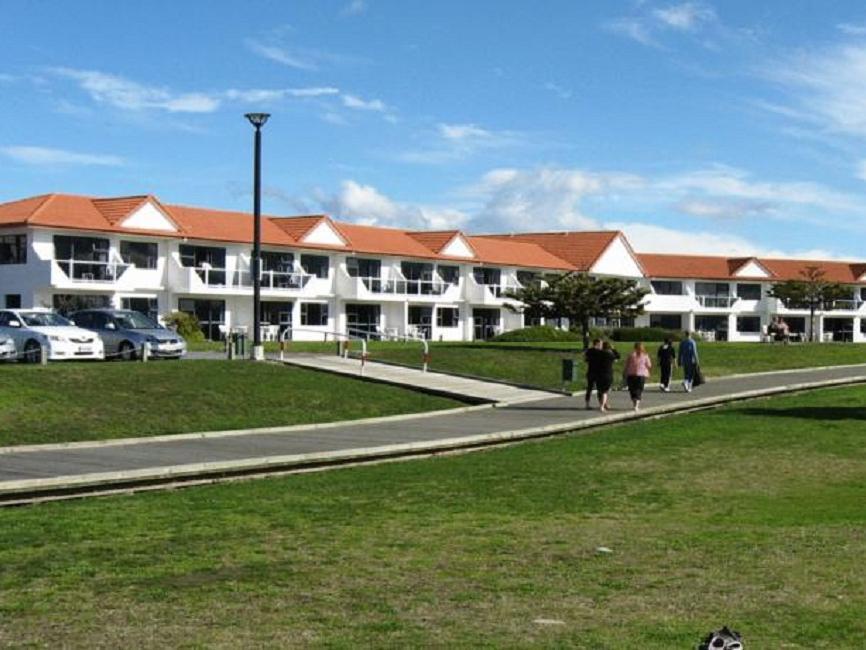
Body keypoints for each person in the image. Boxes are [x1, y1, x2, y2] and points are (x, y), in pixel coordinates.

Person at [624, 342, 653, 411]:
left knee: (632, 389)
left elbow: (626, 365)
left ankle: (634, 403)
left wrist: (625, 372)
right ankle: (636, 405)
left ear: (634, 348)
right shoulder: (645, 356)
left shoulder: (631, 355)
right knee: (639, 389)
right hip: (641, 375)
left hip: (631, 374)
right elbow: (649, 365)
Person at [596, 340, 620, 412]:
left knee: (600, 390)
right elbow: (618, 356)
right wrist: (613, 349)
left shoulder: (599, 354)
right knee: (605, 391)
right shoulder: (610, 355)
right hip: (608, 373)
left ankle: (602, 403)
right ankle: (602, 406)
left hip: (599, 373)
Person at [582, 338, 603, 410]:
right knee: (599, 388)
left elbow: (585, 359)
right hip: (598, 372)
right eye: (600, 344)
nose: (601, 345)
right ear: (597, 343)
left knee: (589, 388)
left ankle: (587, 404)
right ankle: (601, 404)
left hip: (590, 371)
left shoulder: (589, 351)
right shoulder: (600, 352)